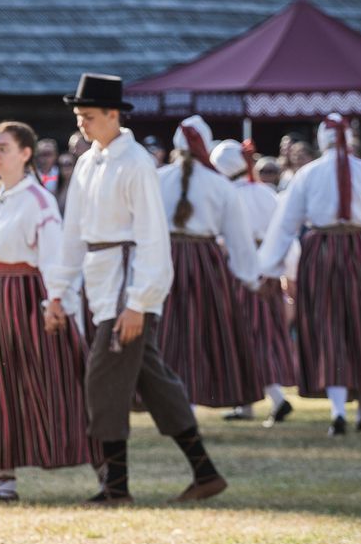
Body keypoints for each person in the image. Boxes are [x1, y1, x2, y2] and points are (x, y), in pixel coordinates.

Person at [54, 75, 226, 504]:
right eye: (79, 118)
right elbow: (73, 232)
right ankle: (205, 471)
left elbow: (151, 236)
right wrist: (58, 291)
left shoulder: (136, 163)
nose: (83, 126)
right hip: (101, 284)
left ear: (114, 115)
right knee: (153, 380)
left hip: (127, 288)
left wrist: (139, 303)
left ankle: (116, 485)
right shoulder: (87, 163)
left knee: (102, 380)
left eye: (89, 117)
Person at [0, 120, 92, 504]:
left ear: (25, 154)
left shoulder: (38, 201)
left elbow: (54, 258)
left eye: (3, 147)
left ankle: (104, 469)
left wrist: (55, 301)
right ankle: (4, 482)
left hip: (31, 297)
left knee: (52, 380)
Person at [259, 114, 361, 436]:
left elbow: (284, 224)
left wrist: (269, 269)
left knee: (328, 328)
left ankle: (338, 412)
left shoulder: (307, 174)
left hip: (322, 252)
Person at [150, 117, 262, 410]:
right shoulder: (219, 184)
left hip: (166, 259)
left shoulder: (158, 178)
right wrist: (249, 276)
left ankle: (170, 398)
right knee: (204, 329)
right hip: (205, 262)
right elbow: (239, 236)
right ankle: (194, 397)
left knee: (167, 329)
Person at [213, 142, 297, 424]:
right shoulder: (266, 192)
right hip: (268, 271)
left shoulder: (226, 195)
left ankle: (277, 398)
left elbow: (222, 240)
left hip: (240, 272)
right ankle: (246, 404)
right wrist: (285, 272)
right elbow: (285, 234)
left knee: (247, 337)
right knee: (264, 335)